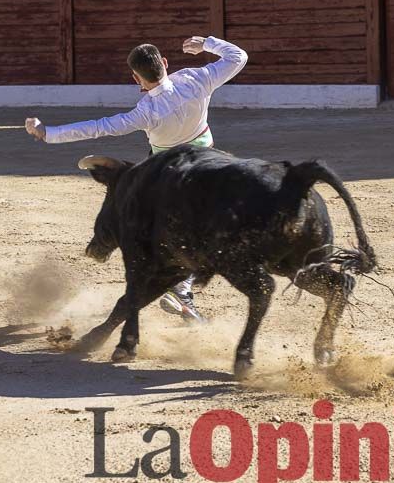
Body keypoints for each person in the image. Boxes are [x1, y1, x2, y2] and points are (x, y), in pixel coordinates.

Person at [24, 34, 249, 324]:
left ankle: (105, 243)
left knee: (128, 196)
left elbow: (97, 128)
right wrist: (206, 43)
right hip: (207, 166)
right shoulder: (195, 79)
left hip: (164, 172)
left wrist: (48, 133)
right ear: (166, 63)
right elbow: (238, 57)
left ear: (136, 78)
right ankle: (183, 288)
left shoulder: (146, 112)